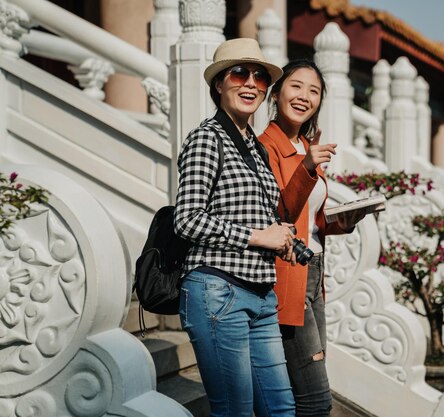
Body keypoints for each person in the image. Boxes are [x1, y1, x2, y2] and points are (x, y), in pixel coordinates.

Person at [174, 38, 297, 417]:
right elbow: (186, 219)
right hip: (218, 291)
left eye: (260, 78)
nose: (251, 84)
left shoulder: (254, 147)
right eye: (239, 73)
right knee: (235, 411)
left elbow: (244, 211)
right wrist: (259, 236)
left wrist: (280, 235)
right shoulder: (207, 139)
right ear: (218, 84)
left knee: (281, 409)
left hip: (261, 295)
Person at [259, 59, 365, 417]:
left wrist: (343, 221)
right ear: (276, 93)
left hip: (314, 274)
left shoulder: (307, 145)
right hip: (287, 276)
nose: (304, 96)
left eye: (314, 90)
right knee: (315, 398)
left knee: (306, 386)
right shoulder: (265, 147)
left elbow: (309, 222)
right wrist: (306, 169)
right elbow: (276, 214)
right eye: (296, 86)